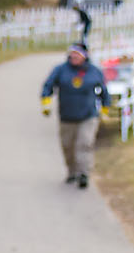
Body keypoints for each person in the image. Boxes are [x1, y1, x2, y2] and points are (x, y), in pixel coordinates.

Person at [40, 43, 111, 189]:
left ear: (84, 56)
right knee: (68, 146)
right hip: (67, 116)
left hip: (88, 116)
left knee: (84, 144)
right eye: (72, 54)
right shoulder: (60, 70)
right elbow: (48, 86)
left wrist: (105, 109)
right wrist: (46, 102)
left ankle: (83, 173)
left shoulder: (94, 71)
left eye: (77, 54)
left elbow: (104, 91)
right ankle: (72, 171)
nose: (74, 57)